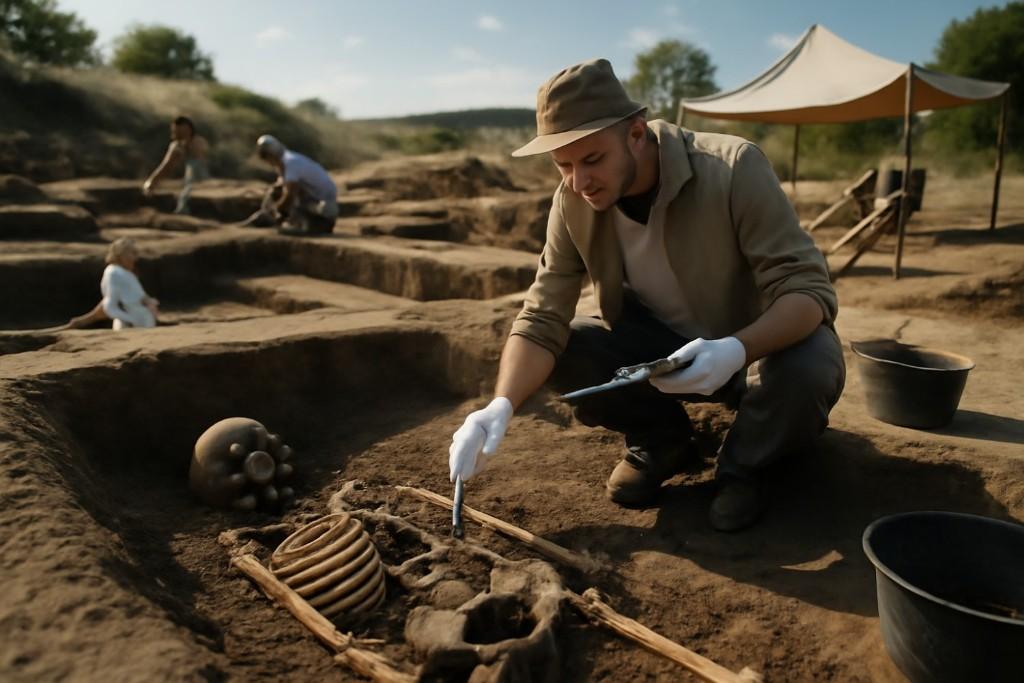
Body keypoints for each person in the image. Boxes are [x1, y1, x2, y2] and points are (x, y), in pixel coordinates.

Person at [447, 59, 845, 532]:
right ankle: (663, 442)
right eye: (563, 165)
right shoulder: (572, 199)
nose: (579, 181)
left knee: (810, 364)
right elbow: (541, 315)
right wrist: (501, 405)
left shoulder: (733, 167)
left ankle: (748, 467)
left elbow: (807, 290)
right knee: (568, 346)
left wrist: (737, 348)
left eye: (592, 159)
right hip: (660, 352)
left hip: (753, 350)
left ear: (637, 134)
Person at [241, 134, 339, 236]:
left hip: (321, 205)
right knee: (277, 190)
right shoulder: (287, 161)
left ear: (271, 155)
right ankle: (301, 222)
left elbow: (290, 194)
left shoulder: (291, 163)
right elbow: (281, 187)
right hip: (315, 200)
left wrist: (275, 211)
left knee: (284, 197)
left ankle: (309, 224)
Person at [69, 238, 159, 330]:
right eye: (132, 253)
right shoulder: (114, 272)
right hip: (128, 326)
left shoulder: (128, 274)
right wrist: (131, 320)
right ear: (121, 254)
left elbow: (141, 298)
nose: (135, 258)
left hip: (141, 324)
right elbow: (110, 306)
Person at [142, 116, 210, 215]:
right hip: (187, 179)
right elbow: (166, 165)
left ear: (187, 128)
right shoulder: (176, 146)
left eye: (179, 130)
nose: (176, 132)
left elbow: (200, 159)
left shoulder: (198, 142)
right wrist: (152, 182)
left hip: (199, 178)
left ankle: (183, 209)